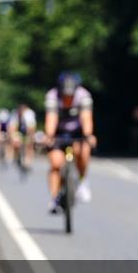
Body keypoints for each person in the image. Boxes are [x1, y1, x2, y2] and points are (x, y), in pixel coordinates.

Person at [44, 71, 94, 213]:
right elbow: (51, 118)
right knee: (55, 163)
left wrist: (88, 135)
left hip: (77, 132)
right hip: (59, 132)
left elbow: (86, 118)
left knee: (83, 152)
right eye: (65, 95)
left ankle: (82, 182)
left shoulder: (83, 95)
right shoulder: (52, 96)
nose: (68, 98)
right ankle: (54, 199)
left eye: (70, 95)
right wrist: (49, 136)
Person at [9, 102, 37, 167]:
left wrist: (30, 137)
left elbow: (31, 127)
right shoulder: (15, 114)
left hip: (27, 131)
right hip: (19, 130)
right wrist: (12, 136)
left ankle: (28, 159)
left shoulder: (29, 114)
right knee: (15, 141)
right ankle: (17, 156)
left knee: (29, 143)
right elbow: (12, 127)